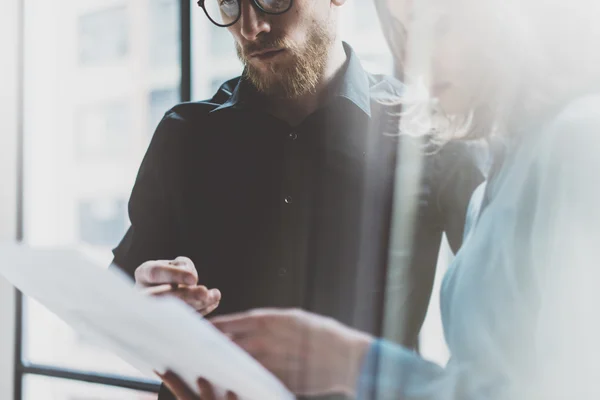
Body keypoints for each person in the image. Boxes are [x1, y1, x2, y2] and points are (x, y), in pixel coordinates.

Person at [159, 0, 600, 398]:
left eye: (441, 26)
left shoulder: (573, 141)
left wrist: (356, 364)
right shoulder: (503, 173)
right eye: (404, 34)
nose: (413, 59)